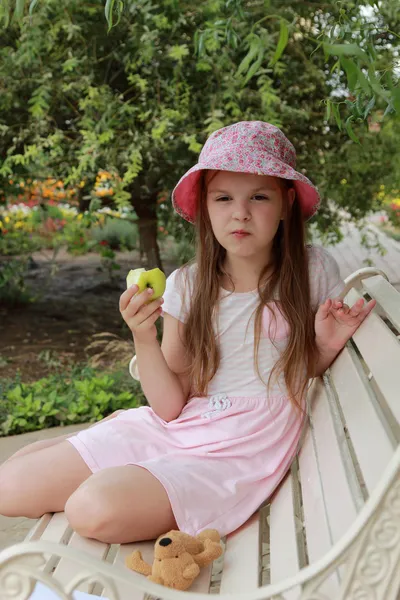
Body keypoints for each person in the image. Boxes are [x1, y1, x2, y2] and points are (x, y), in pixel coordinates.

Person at [0, 121, 376, 544]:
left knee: (91, 509)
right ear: (205, 206)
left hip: (240, 447)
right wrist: (143, 336)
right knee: (8, 487)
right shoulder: (188, 285)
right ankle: (110, 456)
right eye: (223, 198)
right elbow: (169, 408)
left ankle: (118, 473)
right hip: (178, 426)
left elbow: (299, 369)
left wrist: (325, 343)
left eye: (259, 196)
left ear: (287, 203)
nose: (240, 213)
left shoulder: (311, 271)